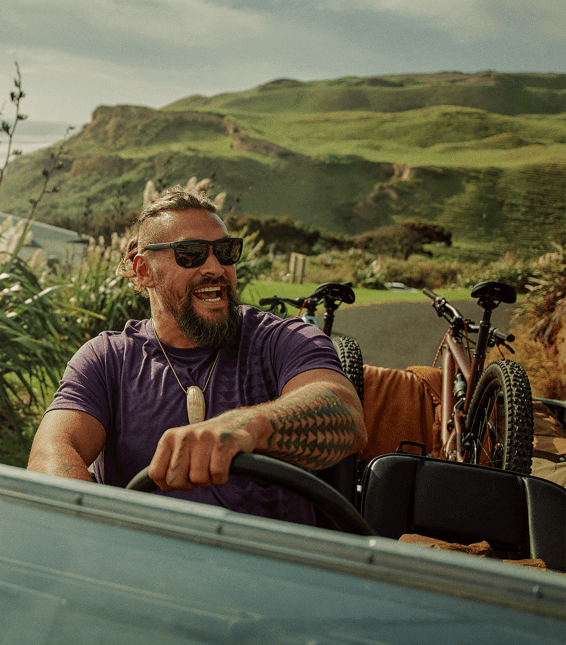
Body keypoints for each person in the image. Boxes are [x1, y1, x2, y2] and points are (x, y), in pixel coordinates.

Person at [27, 186, 367, 525]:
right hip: (145, 566)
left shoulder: (280, 339)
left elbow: (345, 413)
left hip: (269, 568)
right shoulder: (107, 359)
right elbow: (50, 454)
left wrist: (248, 426)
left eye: (225, 252)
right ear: (144, 270)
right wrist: (100, 535)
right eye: (190, 254)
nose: (215, 268)